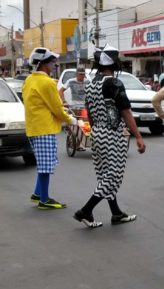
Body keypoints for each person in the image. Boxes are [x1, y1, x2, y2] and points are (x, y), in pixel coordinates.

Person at [73, 45, 146, 228]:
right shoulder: (113, 83)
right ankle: (86, 210)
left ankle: (116, 213)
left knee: (104, 175)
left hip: (97, 132)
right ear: (114, 63)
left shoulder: (90, 84)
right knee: (112, 176)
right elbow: (126, 112)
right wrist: (138, 136)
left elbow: (88, 111)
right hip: (113, 135)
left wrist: (96, 128)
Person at [23, 47, 77, 209]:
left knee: (43, 163)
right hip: (44, 128)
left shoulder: (29, 80)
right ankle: (44, 200)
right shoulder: (47, 82)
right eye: (52, 62)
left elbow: (43, 105)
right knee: (46, 166)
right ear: (44, 64)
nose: (54, 65)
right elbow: (56, 107)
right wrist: (71, 120)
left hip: (33, 127)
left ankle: (37, 193)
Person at [59, 67, 89, 151]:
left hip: (84, 107)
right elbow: (61, 91)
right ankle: (70, 137)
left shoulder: (87, 82)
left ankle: (79, 144)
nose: (82, 76)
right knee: (74, 125)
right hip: (74, 107)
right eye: (80, 74)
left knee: (83, 126)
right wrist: (64, 101)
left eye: (83, 75)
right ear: (76, 74)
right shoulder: (71, 81)